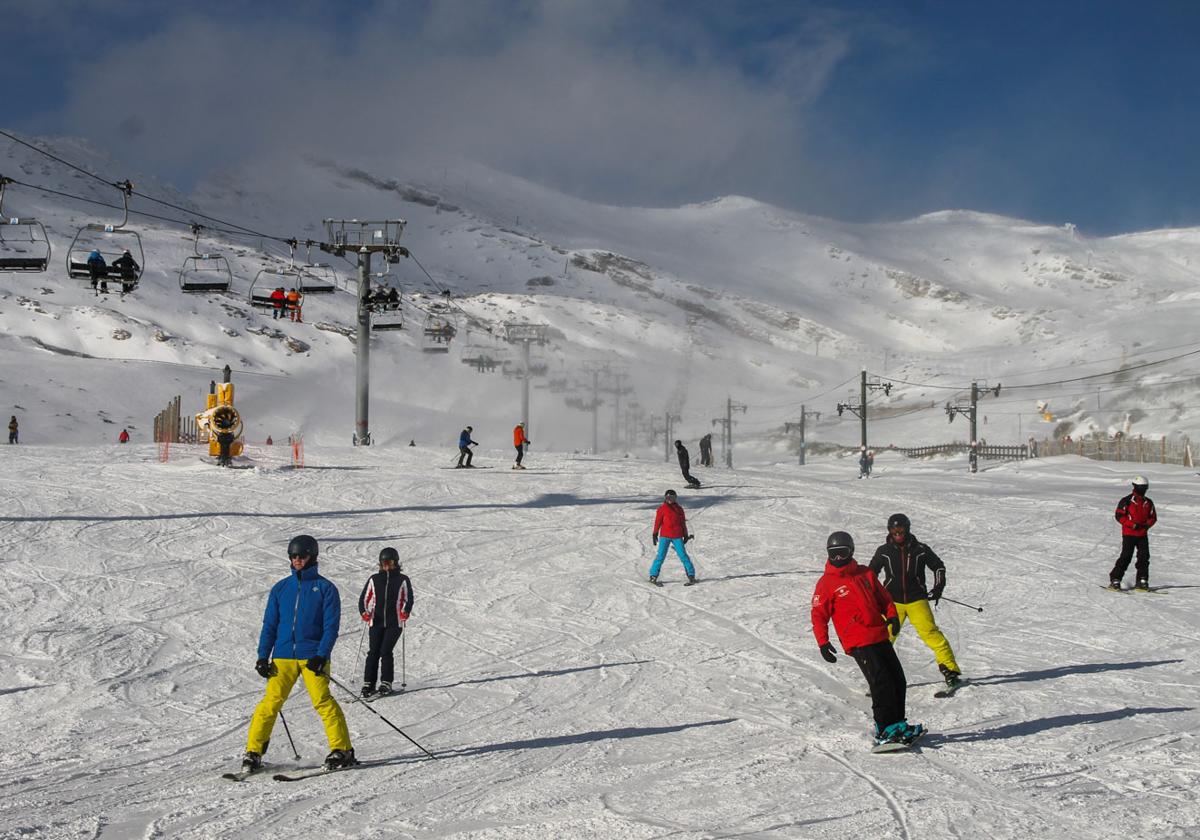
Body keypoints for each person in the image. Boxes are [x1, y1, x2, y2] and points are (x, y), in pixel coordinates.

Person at [242, 535, 355, 773]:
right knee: (269, 703)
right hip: (282, 656)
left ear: (312, 556)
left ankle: (342, 749)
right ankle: (253, 752)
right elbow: (269, 625)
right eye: (293, 556)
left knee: (322, 701)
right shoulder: (281, 588)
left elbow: (330, 627)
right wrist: (263, 656)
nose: (297, 560)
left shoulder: (326, 589)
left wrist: (322, 654)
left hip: (312, 656)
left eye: (301, 556)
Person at [812, 531, 922, 747]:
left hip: (879, 634)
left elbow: (884, 599)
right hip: (858, 641)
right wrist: (823, 642)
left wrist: (892, 615)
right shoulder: (826, 583)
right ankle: (883, 728)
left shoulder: (865, 574)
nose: (838, 559)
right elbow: (818, 615)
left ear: (851, 551)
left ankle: (897, 723)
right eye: (833, 555)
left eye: (842, 554)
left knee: (898, 680)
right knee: (880, 683)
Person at [868, 513, 962, 692]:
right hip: (891, 603)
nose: (898, 533)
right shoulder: (884, 551)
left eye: (901, 529)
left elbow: (938, 566)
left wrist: (938, 588)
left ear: (907, 529)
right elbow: (871, 574)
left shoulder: (920, 549)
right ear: (889, 531)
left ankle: (951, 672)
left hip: (917, 600)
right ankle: (880, 678)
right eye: (894, 530)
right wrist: (873, 595)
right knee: (882, 638)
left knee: (931, 635)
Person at [358, 547, 415, 698]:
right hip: (375, 621)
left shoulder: (402, 579)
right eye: (384, 563)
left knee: (385, 651)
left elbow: (409, 598)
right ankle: (368, 683)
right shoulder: (374, 579)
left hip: (394, 622)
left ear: (395, 563)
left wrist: (405, 611)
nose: (387, 566)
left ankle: (386, 682)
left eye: (389, 562)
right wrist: (364, 612)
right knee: (373, 652)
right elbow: (364, 599)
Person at [1109, 476, 1157, 591]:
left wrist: (1146, 525)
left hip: (1142, 534)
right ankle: (1115, 579)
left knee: (1144, 557)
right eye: (1141, 487)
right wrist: (1132, 524)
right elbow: (1119, 515)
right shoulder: (1126, 501)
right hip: (1129, 534)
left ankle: (1142, 580)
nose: (1143, 490)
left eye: (1145, 487)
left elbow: (1153, 517)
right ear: (1135, 487)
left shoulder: (1148, 502)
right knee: (1126, 556)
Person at [649, 489, 697, 585]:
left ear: (675, 498)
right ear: (665, 498)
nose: (670, 500)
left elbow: (682, 523)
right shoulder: (662, 509)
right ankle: (653, 576)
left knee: (683, 556)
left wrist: (685, 535)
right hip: (665, 536)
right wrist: (655, 533)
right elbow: (658, 522)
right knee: (660, 556)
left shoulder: (679, 509)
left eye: (672, 498)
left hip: (677, 536)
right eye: (668, 498)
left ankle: (691, 575)